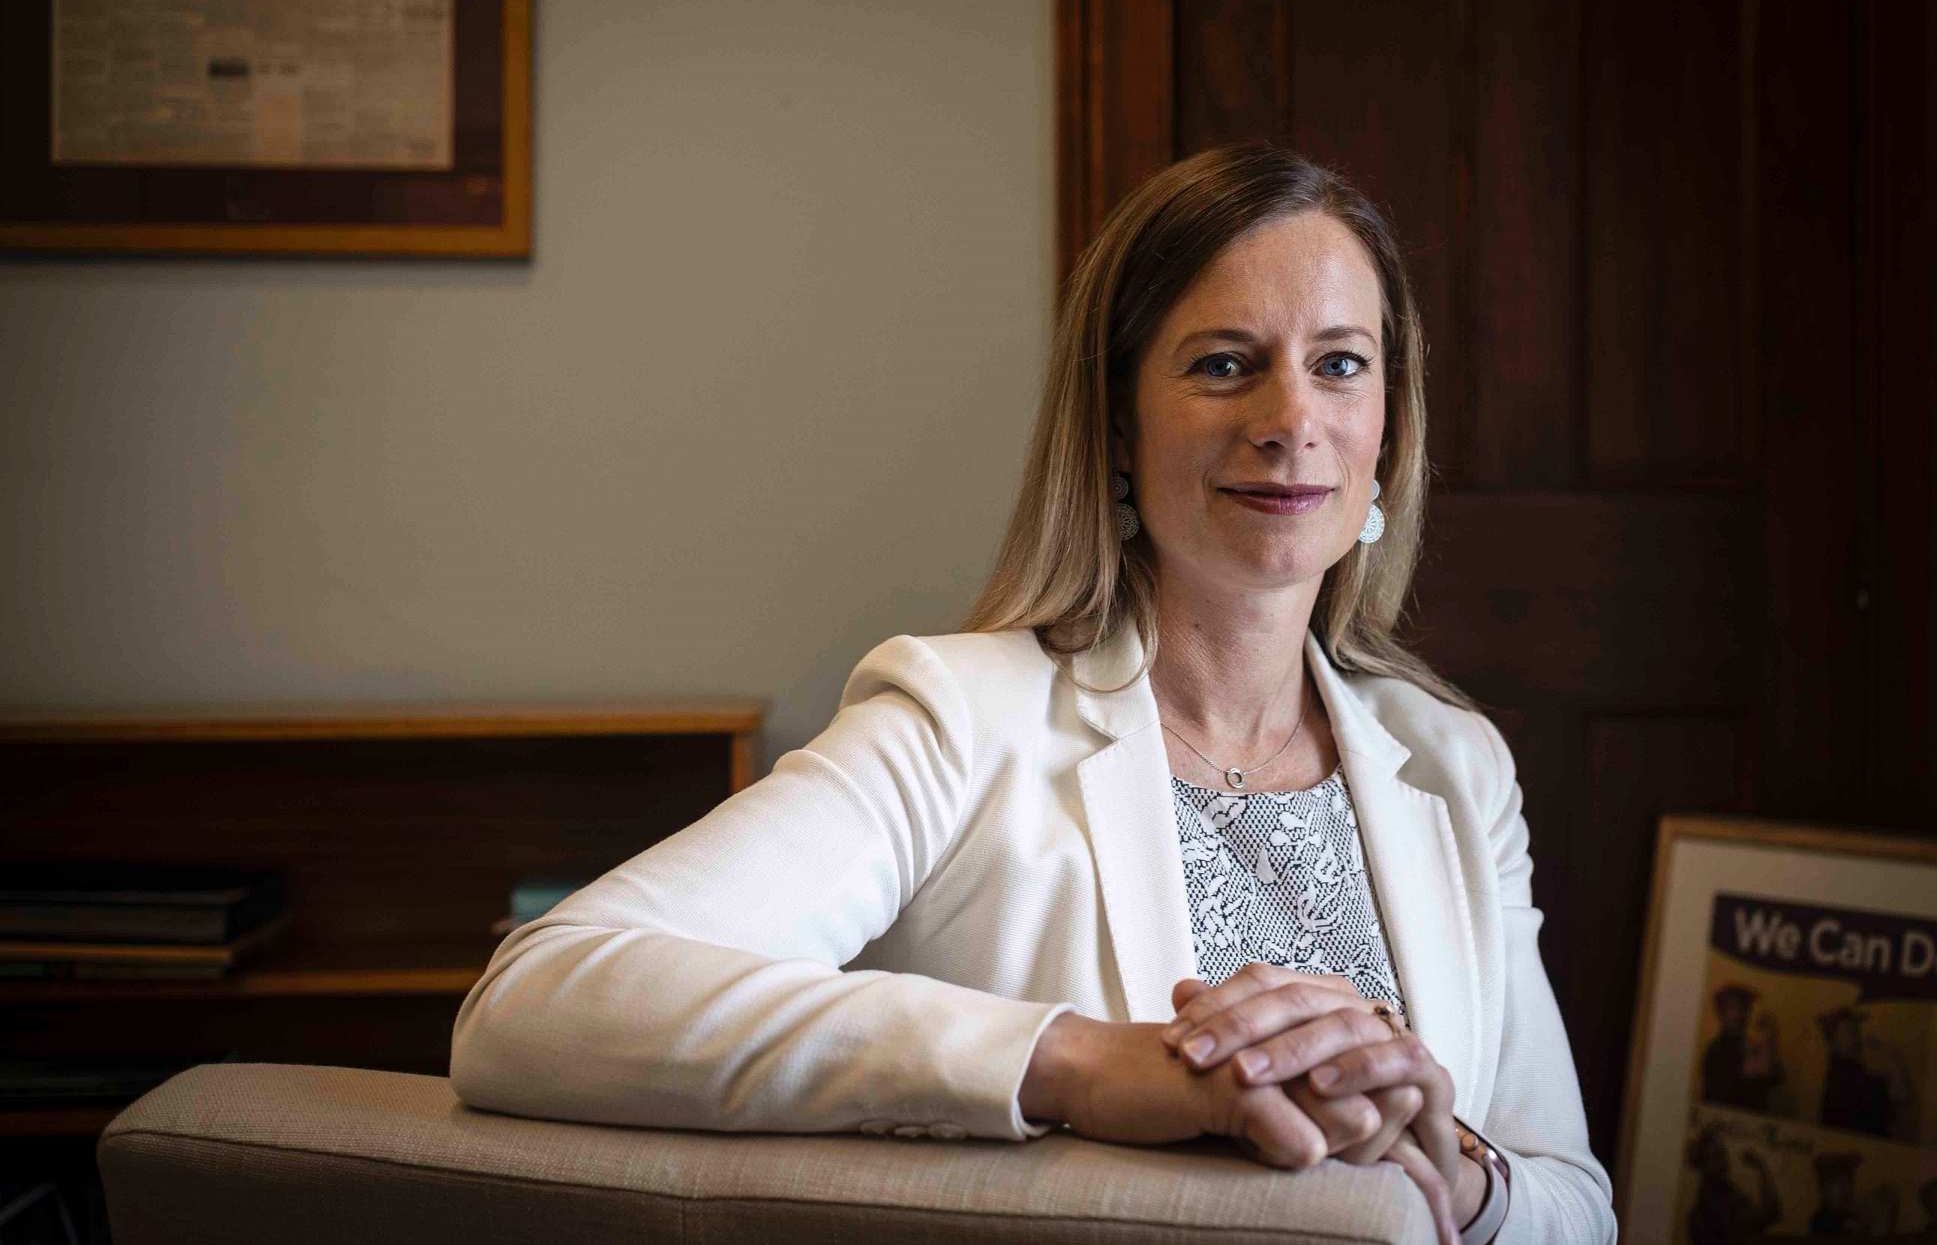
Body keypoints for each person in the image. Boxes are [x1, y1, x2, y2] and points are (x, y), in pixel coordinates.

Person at [448, 141, 1614, 1243]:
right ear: (1117, 421)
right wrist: (1080, 1066)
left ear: (1385, 425)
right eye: (1222, 364)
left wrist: (1453, 1173)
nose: (1289, 422)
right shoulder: (958, 719)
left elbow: (1574, 1201)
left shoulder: (1454, 761)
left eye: (1338, 365)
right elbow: (537, 1000)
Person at [1818, 1007, 1908, 1139]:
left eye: (1856, 1029)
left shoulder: (1856, 1068)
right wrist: (1891, 1057)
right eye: (1850, 1031)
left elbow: (1899, 1096)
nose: (1857, 1035)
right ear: (1833, 1040)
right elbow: (1900, 1096)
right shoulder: (1844, 1076)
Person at [1703, 984, 1785, 1112]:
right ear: (1721, 1013)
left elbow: (1776, 1077)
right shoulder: (1715, 1050)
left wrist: (1770, 1038)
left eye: (1745, 1007)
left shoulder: (1752, 1044)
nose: (1740, 1014)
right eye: (1733, 1008)